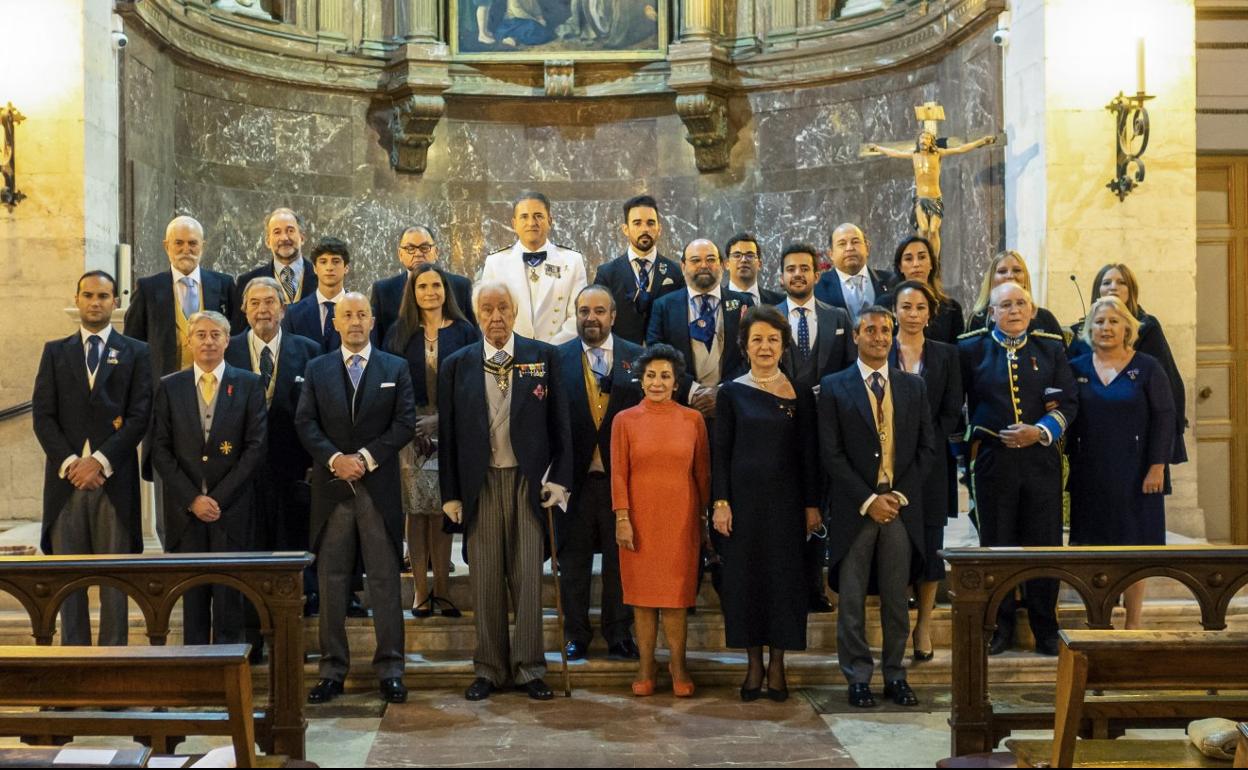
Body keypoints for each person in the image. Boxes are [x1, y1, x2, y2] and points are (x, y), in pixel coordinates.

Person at [439, 282, 573, 702]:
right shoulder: (457, 363)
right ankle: (490, 669)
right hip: (481, 485)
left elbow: (561, 426)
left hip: (528, 483)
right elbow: (449, 435)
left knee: (529, 577)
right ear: (476, 314)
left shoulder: (542, 357)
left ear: (515, 313)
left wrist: (559, 479)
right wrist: (451, 494)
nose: (495, 316)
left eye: (503, 308)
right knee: (485, 580)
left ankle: (531, 668)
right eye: (487, 309)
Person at [296, 293, 416, 705]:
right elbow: (305, 422)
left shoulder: (395, 367)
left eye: (362, 314)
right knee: (330, 582)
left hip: (377, 490)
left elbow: (404, 423)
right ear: (335, 322)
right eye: (347, 315)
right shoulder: (317, 368)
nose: (355, 321)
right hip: (331, 491)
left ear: (371, 320)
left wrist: (364, 459)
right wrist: (335, 460)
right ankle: (332, 670)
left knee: (384, 581)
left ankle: (391, 669)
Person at [819, 306, 935, 709]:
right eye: (870, 330)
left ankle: (895, 674)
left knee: (896, 599)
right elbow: (830, 454)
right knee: (851, 599)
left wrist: (897, 496)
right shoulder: (834, 387)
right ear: (855, 336)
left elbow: (926, 449)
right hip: (856, 509)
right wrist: (868, 500)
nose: (880, 337)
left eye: (886, 330)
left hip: (899, 507)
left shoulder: (912, 387)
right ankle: (857, 676)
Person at [32, 271, 152, 647]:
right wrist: (71, 464)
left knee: (114, 584)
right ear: (77, 299)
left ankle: (113, 666)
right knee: (70, 583)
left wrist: (99, 461)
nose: (96, 302)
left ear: (116, 302)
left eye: (103, 295)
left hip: (112, 481)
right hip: (66, 483)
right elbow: (43, 416)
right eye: (88, 295)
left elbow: (139, 415)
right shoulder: (56, 351)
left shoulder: (136, 351)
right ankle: (75, 666)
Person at [960, 282, 1077, 657]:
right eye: (1005, 305)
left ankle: (1046, 627)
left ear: (1031, 309)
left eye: (1020, 303)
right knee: (998, 546)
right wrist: (966, 455)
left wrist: (1039, 431)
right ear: (991, 312)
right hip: (994, 462)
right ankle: (999, 626)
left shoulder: (1050, 346)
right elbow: (957, 407)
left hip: (1040, 460)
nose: (1014, 310)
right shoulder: (971, 348)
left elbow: (1069, 402)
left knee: (1044, 545)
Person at [712, 306, 821, 702]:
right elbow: (720, 453)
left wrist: (812, 505)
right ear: (744, 346)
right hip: (743, 506)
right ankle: (753, 663)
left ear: (783, 345)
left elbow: (809, 454)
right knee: (746, 583)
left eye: (773, 339)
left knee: (783, 583)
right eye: (757, 339)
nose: (765, 346)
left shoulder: (800, 392)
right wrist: (720, 502)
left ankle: (778, 664)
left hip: (788, 506)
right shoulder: (730, 392)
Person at [149, 310, 267, 645]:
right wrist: (193, 499)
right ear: (189, 341)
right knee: (193, 598)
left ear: (228, 340)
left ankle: (229, 682)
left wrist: (217, 499)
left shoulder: (248, 384)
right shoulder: (170, 387)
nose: (208, 341)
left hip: (231, 511)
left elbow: (255, 448)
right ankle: (195, 678)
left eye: (216, 334)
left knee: (230, 597)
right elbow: (160, 448)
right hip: (186, 514)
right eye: (200, 334)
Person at [1067, 296, 1175, 629]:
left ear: (1127, 326)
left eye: (1114, 321)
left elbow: (1165, 417)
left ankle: (1133, 622)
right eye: (1099, 322)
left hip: (1137, 476)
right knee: (1094, 549)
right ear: (1089, 329)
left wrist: (1157, 466)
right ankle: (1098, 618)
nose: (1106, 328)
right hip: (1091, 474)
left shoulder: (1147, 367)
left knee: (1135, 550)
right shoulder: (1077, 368)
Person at [612, 344, 710, 697]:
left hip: (681, 519)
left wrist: (703, 519)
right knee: (642, 597)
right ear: (641, 380)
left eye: (665, 376)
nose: (657, 382)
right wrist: (622, 517)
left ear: (676, 381)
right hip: (639, 519)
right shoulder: (624, 420)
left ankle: (679, 665)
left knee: (676, 596)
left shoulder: (693, 420)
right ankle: (646, 666)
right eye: (651, 375)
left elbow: (702, 473)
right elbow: (619, 475)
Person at [383, 263, 479, 619]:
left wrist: (442, 420)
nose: (430, 292)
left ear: (446, 290)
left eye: (436, 285)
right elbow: (389, 383)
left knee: (443, 509)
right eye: (422, 286)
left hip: (451, 429)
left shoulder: (466, 331)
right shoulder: (399, 331)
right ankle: (420, 591)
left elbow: (472, 385)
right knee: (416, 512)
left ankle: (443, 589)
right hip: (410, 434)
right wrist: (411, 425)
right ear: (413, 292)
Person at [556, 286, 644, 662]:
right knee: (573, 563)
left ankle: (618, 633)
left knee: (618, 563)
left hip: (620, 484)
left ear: (613, 316)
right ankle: (576, 634)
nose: (590, 317)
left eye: (599, 311)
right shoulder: (556, 359)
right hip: (573, 482)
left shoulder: (636, 359)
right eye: (584, 311)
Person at [224, 277, 321, 616]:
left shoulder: (309, 350)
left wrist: (315, 461)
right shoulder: (228, 350)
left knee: (292, 548)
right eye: (255, 303)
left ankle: (296, 620)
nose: (263, 309)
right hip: (239, 475)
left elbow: (318, 410)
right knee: (248, 550)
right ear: (243, 310)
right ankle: (250, 621)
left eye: (269, 302)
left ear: (283, 308)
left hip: (293, 468)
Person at [775, 242, 855, 613]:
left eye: (804, 268)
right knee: (787, 510)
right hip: (780, 431)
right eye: (790, 269)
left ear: (816, 274)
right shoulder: (768, 317)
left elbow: (852, 371)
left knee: (820, 510)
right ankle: (788, 587)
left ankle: (816, 588)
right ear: (781, 276)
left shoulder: (838, 317)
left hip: (828, 430)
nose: (797, 274)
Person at [888, 281, 963, 662]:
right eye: (906, 307)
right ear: (895, 311)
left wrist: (925, 443)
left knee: (931, 542)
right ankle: (899, 621)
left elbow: (952, 409)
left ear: (929, 314)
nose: (913, 314)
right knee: (898, 542)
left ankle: (924, 626)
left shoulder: (947, 355)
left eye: (920, 307)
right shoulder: (880, 350)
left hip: (932, 462)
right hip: (887, 460)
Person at [1067, 263, 1188, 466]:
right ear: (1098, 289)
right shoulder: (1082, 331)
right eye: (1106, 283)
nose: (1113, 287)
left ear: (1131, 291)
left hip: (1138, 435)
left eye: (1121, 282)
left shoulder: (1147, 328)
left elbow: (1167, 383)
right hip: (1093, 436)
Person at [646, 238, 754, 420]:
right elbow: (656, 351)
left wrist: (722, 392)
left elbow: (752, 354)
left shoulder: (743, 303)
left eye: (711, 259)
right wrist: (692, 390)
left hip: (732, 408)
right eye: (695, 260)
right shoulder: (664, 306)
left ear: (722, 264)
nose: (704, 265)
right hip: (680, 407)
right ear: (683, 266)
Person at [126, 216, 238, 380]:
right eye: (179, 243)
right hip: (162, 387)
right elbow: (132, 342)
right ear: (166, 246)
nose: (186, 249)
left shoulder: (224, 284)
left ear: (202, 246)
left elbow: (237, 337)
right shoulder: (148, 288)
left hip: (215, 384)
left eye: (192, 243)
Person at [865, 130, 997, 260]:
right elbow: (894, 153)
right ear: (918, 141)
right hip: (921, 199)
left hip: (935, 198)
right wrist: (878, 148)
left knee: (933, 230)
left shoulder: (938, 154)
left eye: (927, 138)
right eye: (922, 138)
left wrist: (981, 141)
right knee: (923, 229)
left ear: (931, 142)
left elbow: (960, 149)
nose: (924, 140)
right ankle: (923, 257)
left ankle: (934, 259)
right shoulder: (914, 155)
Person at [479, 191, 587, 344]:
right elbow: (487, 313)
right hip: (512, 352)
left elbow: (579, 314)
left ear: (550, 221)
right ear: (514, 223)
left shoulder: (572, 261)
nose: (531, 223)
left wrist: (551, 349)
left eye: (538, 216)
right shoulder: (495, 263)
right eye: (524, 217)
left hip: (558, 353)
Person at [592, 195, 684, 344]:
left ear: (659, 229)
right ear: (625, 229)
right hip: (621, 357)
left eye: (650, 223)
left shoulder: (675, 272)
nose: (645, 229)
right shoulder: (607, 273)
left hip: (664, 356)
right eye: (637, 223)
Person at [371, 225, 475, 344]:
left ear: (436, 252)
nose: (418, 253)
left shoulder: (460, 286)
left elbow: (473, 339)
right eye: (410, 248)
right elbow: (375, 342)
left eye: (424, 247)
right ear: (400, 254)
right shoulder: (383, 290)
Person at [232, 208, 318, 329]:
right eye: (277, 232)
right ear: (267, 241)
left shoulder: (323, 277)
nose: (284, 238)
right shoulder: (246, 282)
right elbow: (239, 333)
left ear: (302, 238)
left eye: (290, 230)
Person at [879, 236, 965, 345]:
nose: (916, 264)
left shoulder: (951, 309)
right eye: (909, 259)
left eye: (922, 257)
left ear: (931, 264)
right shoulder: (884, 305)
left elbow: (956, 354)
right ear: (900, 267)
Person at [966, 250, 1064, 336]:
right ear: (992, 279)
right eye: (1002, 271)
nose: (1010, 276)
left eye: (1017, 270)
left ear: (1025, 278)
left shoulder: (1044, 318)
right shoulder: (978, 319)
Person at [282, 237, 354, 354]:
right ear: (315, 268)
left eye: (336, 261)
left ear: (346, 268)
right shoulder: (294, 314)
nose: (329, 267)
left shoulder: (362, 313)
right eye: (323, 262)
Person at [813, 223, 894, 325]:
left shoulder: (891, 281)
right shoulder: (817, 287)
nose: (849, 248)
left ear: (867, 248)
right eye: (842, 244)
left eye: (855, 242)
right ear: (831, 254)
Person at [723, 233, 784, 306]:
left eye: (750, 255)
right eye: (737, 255)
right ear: (727, 264)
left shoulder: (780, 302)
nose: (743, 260)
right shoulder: (716, 301)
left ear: (759, 264)